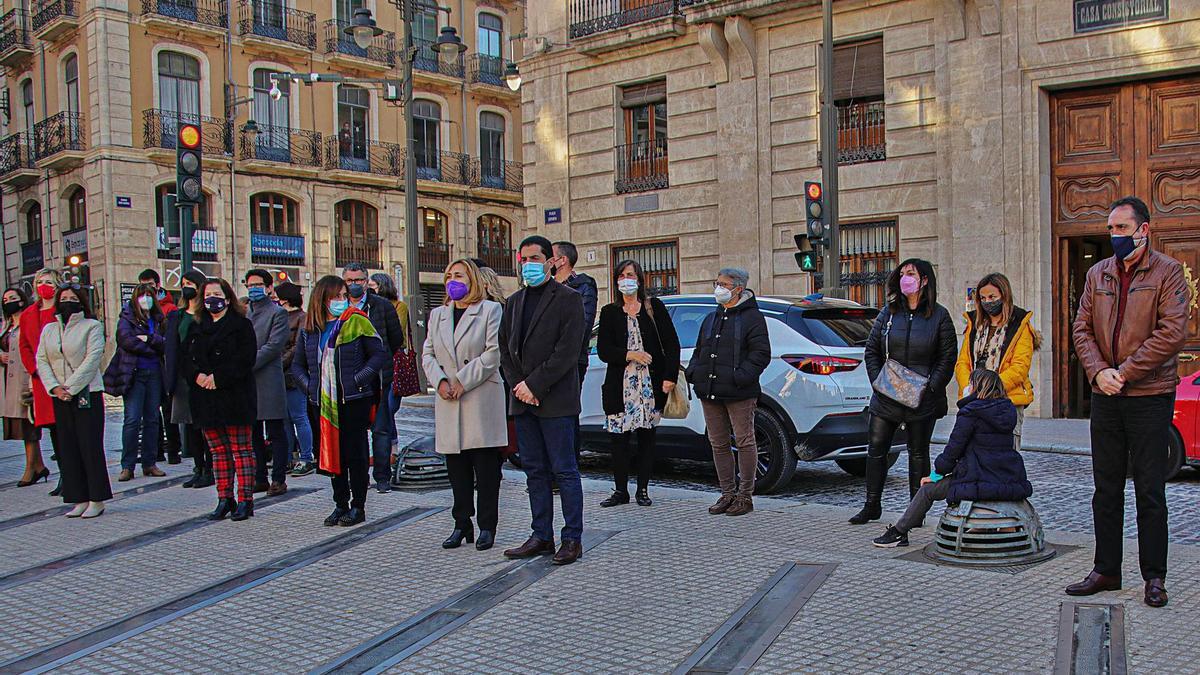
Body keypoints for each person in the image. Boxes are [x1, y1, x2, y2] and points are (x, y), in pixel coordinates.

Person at [1066, 196, 1190, 609]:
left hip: (1149, 394)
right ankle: (1106, 570)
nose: (1115, 236)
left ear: (1143, 230)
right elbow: (1080, 327)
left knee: (1150, 490)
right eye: (1111, 229)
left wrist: (1127, 371)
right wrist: (1099, 371)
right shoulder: (1097, 273)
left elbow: (1172, 332)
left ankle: (1154, 577)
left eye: (1122, 228)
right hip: (1106, 395)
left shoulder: (1169, 272)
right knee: (1105, 488)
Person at [872, 369, 1033, 547]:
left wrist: (935, 475)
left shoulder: (971, 412)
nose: (967, 387)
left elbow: (953, 451)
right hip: (1007, 478)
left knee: (927, 490)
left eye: (970, 384)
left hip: (977, 478)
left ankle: (899, 533)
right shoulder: (1008, 410)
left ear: (977, 388)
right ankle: (996, 528)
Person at [500, 235, 586, 565]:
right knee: (534, 471)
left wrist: (535, 385)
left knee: (564, 470)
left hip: (555, 400)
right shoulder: (514, 301)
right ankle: (541, 535)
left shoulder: (568, 300)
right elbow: (505, 349)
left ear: (550, 261)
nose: (528, 265)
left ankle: (572, 538)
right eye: (523, 260)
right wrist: (519, 386)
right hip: (522, 400)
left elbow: (566, 351)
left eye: (534, 259)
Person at [851, 259, 957, 526]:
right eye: (902, 273)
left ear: (924, 280)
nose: (904, 278)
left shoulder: (939, 316)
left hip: (922, 397)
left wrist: (930, 388)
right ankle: (871, 504)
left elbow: (947, 358)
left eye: (911, 274)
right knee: (876, 449)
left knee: (918, 453)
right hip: (887, 394)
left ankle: (915, 510)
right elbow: (872, 351)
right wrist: (879, 382)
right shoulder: (888, 313)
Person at [292, 275, 389, 527]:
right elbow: (298, 365)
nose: (341, 301)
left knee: (354, 454)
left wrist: (358, 380)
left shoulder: (356, 321)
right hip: (322, 403)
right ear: (321, 299)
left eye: (344, 296)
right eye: (336, 297)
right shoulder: (310, 330)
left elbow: (378, 356)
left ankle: (358, 506)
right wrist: (311, 387)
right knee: (331, 454)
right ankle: (340, 503)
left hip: (353, 399)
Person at [423, 259, 506, 550]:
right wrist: (441, 381)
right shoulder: (438, 315)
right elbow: (428, 354)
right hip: (448, 399)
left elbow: (493, 353)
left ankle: (487, 526)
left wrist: (461, 381)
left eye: (458, 275)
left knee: (485, 469)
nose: (452, 280)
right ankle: (461, 523)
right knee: (456, 467)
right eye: (448, 276)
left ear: (471, 279)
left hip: (479, 396)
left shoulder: (490, 310)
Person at [685, 268, 771, 517]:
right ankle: (727, 493)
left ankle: (745, 496)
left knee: (744, 441)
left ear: (738, 289)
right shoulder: (712, 317)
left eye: (723, 284)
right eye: (717, 283)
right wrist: (694, 372)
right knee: (718, 443)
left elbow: (760, 353)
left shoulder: (752, 317)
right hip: (710, 389)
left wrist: (740, 376)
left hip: (739, 391)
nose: (718, 288)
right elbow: (700, 349)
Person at [596, 260, 680, 508]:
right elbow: (603, 350)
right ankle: (620, 490)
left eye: (630, 274)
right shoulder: (610, 312)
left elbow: (671, 344)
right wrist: (630, 354)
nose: (625, 279)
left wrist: (669, 377)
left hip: (649, 385)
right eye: (621, 275)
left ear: (640, 279)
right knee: (618, 440)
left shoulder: (654, 307)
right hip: (620, 386)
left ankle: (642, 489)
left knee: (646, 439)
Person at [184, 279, 258, 521]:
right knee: (217, 452)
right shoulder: (197, 327)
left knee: (241, 449)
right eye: (208, 294)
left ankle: (245, 499)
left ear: (227, 298)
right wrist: (198, 376)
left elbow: (246, 359)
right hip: (205, 397)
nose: (212, 299)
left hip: (234, 395)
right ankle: (224, 497)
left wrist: (219, 377)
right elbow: (186, 358)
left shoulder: (241, 325)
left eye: (217, 294)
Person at [35, 284, 110, 518]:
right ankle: (78, 497)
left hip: (86, 392)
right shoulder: (49, 329)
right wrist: (55, 388)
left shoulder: (92, 326)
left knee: (89, 445)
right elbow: (42, 359)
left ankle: (96, 498)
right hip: (60, 395)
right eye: (64, 297)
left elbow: (93, 358)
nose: (68, 301)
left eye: (72, 297)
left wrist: (71, 387)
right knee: (68, 447)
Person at [954, 273, 1040, 452]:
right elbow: (963, 362)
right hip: (974, 399)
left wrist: (990, 389)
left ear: (1004, 295)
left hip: (1006, 401)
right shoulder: (974, 324)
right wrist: (968, 388)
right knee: (973, 454)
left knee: (1005, 456)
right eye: (983, 298)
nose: (987, 302)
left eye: (992, 297)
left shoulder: (1020, 326)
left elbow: (1019, 368)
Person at [342, 262, 403, 493]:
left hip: (379, 377)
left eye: (358, 280)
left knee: (381, 428)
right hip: (349, 379)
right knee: (354, 431)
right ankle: (358, 476)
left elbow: (395, 339)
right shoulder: (340, 306)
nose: (354, 285)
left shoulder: (382, 306)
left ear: (366, 281)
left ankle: (382, 476)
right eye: (349, 281)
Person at [105, 283, 168, 481]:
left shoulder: (158, 319)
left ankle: (149, 463)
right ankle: (127, 465)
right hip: (134, 372)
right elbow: (126, 341)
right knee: (132, 419)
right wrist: (152, 345)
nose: (146, 299)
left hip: (155, 372)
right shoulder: (127, 317)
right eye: (142, 295)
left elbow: (164, 343)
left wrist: (148, 339)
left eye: (150, 295)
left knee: (152, 419)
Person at [244, 269, 290, 496]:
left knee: (275, 431)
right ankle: (259, 476)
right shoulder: (244, 313)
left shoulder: (277, 313)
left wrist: (246, 363)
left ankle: (278, 478)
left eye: (258, 284)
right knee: (253, 433)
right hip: (248, 382)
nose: (253, 289)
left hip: (268, 378)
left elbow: (274, 346)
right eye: (249, 285)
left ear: (269, 287)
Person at [167, 270, 213, 489]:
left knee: (203, 424)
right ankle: (198, 467)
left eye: (190, 283)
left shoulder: (206, 314)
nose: (186, 287)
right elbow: (172, 346)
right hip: (184, 374)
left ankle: (210, 468)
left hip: (202, 374)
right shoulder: (177, 315)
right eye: (183, 283)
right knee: (189, 424)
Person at [20, 268, 64, 496]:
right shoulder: (29, 314)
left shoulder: (61, 310)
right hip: (41, 379)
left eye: (48, 282)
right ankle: (63, 474)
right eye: (39, 282)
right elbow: (25, 346)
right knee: (53, 428)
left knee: (66, 426)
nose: (43, 286)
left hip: (62, 376)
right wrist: (35, 369)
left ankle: (71, 475)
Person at [551, 241, 598, 457]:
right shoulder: (544, 286)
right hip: (544, 363)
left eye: (551, 256)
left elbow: (583, 325)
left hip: (572, 360)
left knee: (568, 415)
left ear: (562, 260)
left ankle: (567, 470)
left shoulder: (583, 286)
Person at [2, 287, 48, 486]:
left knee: (29, 424)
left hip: (25, 377)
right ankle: (38, 465)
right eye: (5, 299)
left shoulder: (29, 321)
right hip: (8, 382)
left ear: (22, 300)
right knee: (20, 426)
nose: (9, 301)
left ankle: (32, 468)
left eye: (13, 298)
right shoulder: (6, 325)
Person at [139, 268, 180, 464]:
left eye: (149, 284)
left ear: (157, 284)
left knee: (168, 410)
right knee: (151, 411)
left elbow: (168, 340)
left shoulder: (169, 309)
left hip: (164, 365)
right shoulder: (139, 311)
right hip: (150, 364)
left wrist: (150, 339)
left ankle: (173, 449)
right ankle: (156, 451)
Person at [368, 272, 410, 456]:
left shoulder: (398, 306)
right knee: (379, 408)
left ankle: (392, 447)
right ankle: (387, 449)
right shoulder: (367, 306)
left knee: (390, 406)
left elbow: (396, 333)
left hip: (393, 359)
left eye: (373, 286)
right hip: (372, 360)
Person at [278, 282, 315, 476]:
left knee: (299, 416)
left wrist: (279, 362)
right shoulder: (279, 316)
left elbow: (298, 347)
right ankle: (288, 456)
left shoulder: (302, 318)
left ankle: (306, 457)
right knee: (284, 419)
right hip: (278, 376)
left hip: (294, 375)